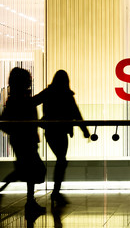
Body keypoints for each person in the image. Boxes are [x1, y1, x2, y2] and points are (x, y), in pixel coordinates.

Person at [33, 70, 90, 205]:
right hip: (62, 131)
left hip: (51, 130)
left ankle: (56, 192)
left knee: (61, 160)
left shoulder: (48, 93)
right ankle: (56, 192)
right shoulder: (67, 95)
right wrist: (84, 130)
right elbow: (76, 113)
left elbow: (33, 101)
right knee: (61, 160)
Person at [0, 67, 46, 214]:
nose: (30, 81)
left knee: (27, 170)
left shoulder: (14, 97)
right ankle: (29, 202)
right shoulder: (21, 98)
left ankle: (30, 202)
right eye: (28, 79)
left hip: (20, 139)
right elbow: (30, 108)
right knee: (30, 170)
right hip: (25, 139)